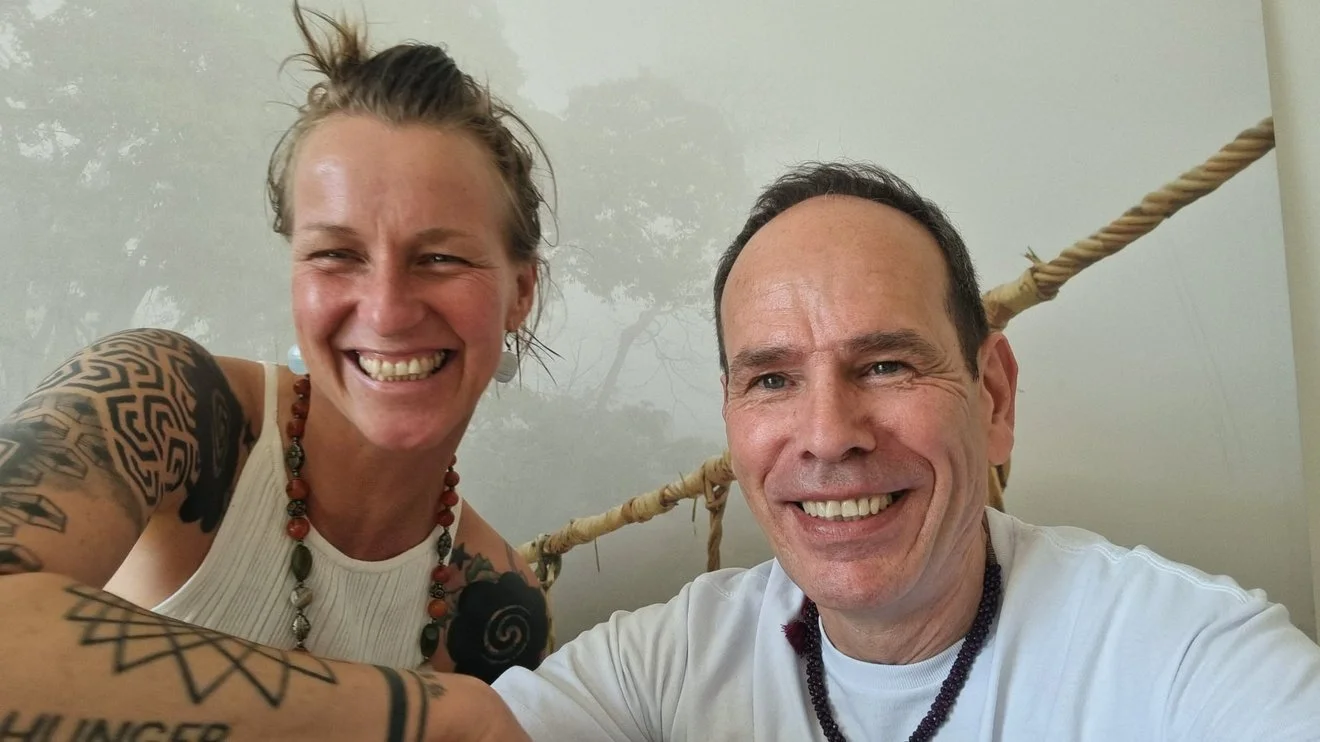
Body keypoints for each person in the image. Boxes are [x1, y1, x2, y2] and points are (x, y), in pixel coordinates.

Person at [491, 161, 1320, 740]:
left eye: (885, 364)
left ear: (992, 397)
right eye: (772, 380)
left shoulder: (1186, 659)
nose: (827, 434)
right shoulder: (667, 664)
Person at [0, 4, 550, 740]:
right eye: (336, 254)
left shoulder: (498, 604)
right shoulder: (166, 402)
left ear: (520, 292)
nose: (386, 311)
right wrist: (433, 715)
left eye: (441, 257)